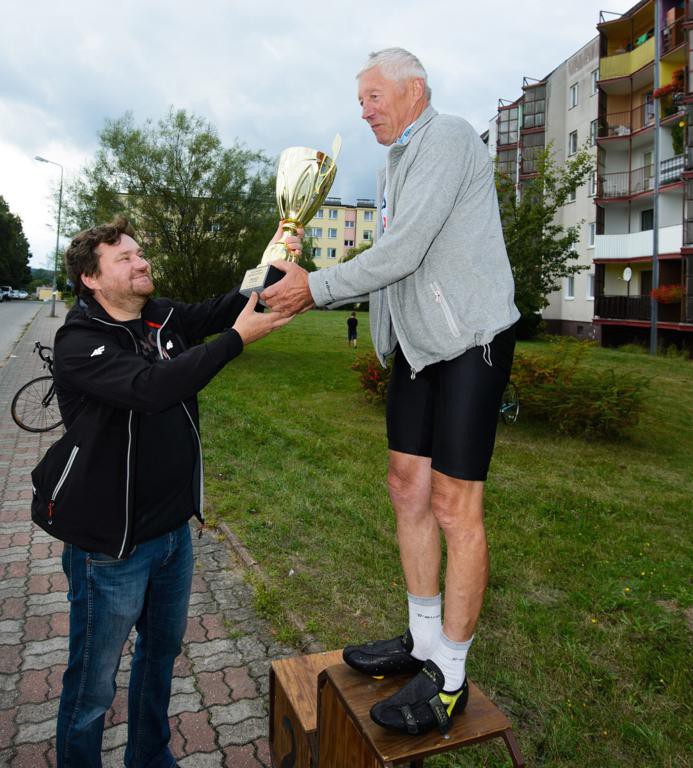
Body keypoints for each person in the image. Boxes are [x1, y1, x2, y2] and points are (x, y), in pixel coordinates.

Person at [262, 47, 520, 737]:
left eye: (373, 97)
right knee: (407, 486)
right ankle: (421, 640)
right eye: (360, 101)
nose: (364, 111)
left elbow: (403, 251)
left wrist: (313, 288)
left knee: (454, 505)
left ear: (415, 91)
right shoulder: (392, 164)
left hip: (469, 339)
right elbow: (396, 260)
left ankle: (450, 676)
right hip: (416, 346)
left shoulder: (448, 137)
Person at [31, 218, 296, 767]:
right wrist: (236, 341)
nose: (141, 261)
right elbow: (150, 388)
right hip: (111, 547)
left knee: (159, 660)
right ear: (91, 279)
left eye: (139, 252)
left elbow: (229, 304)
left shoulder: (160, 315)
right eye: (124, 258)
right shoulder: (78, 342)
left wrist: (276, 255)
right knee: (93, 684)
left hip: (173, 535)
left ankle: (149, 757)